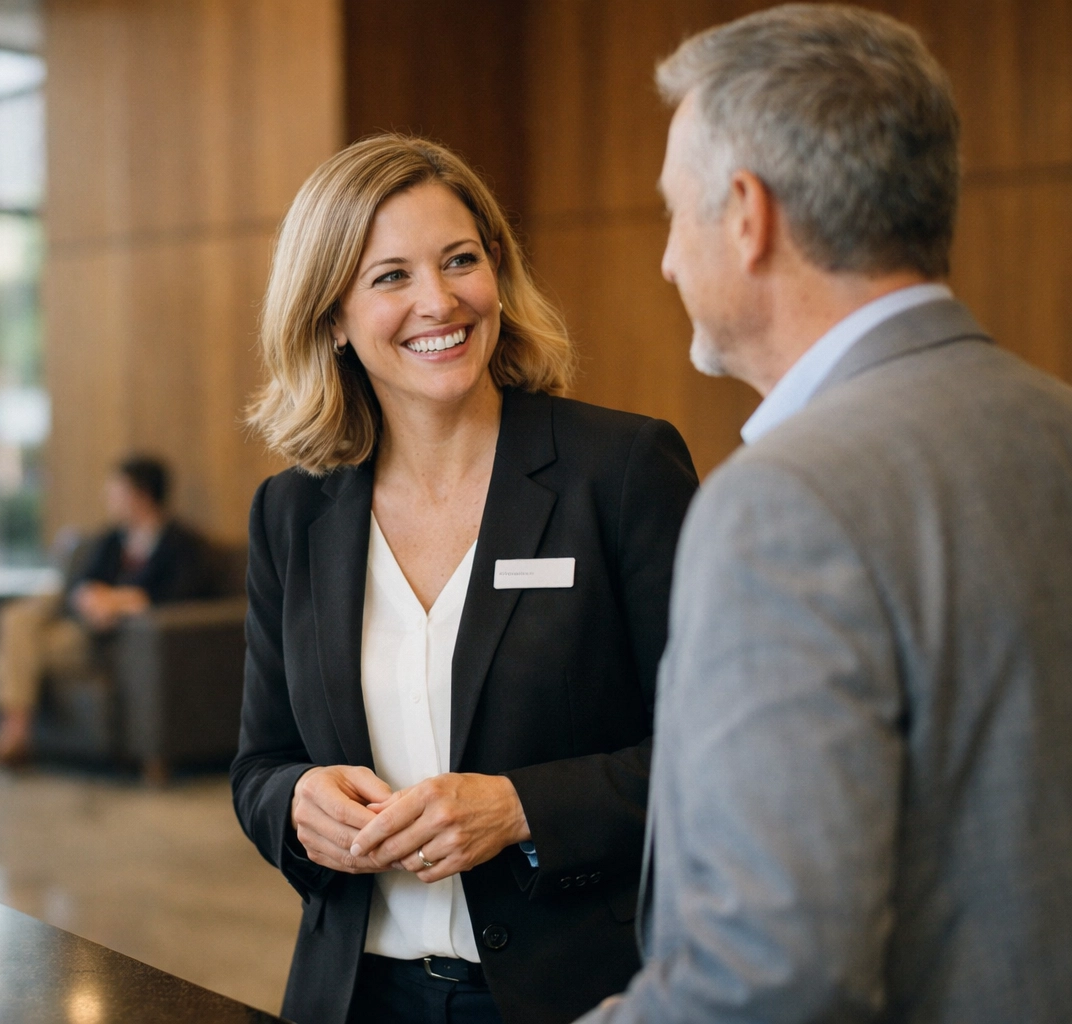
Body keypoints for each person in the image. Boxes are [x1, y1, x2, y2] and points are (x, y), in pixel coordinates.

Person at [579, 6, 1072, 1022]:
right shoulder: (1055, 422)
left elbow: (768, 979)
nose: (668, 259)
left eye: (675, 212)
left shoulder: (779, 508)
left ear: (748, 216)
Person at [230, 134, 698, 1024]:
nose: (440, 301)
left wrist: (524, 807)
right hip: (355, 995)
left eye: (460, 261)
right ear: (331, 316)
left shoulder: (622, 469)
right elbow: (259, 763)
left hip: (577, 996)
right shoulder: (291, 514)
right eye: (390, 276)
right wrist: (296, 803)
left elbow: (716, 750)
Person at [0, 455, 213, 762]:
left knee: (17, 648)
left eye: (116, 490)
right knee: (16, 621)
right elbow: (82, 584)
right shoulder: (110, 539)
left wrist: (119, 601)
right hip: (82, 627)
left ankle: (15, 731)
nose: (109, 498)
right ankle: (17, 731)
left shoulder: (182, 544)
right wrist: (93, 600)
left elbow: (179, 597)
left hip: (116, 641)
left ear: (141, 495)